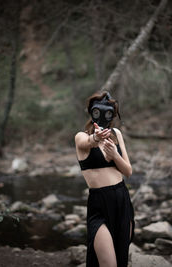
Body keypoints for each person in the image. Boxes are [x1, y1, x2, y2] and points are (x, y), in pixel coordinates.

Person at [75, 91, 135, 267]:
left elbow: (128, 171)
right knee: (109, 263)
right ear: (92, 112)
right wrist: (96, 138)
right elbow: (87, 143)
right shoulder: (81, 136)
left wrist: (115, 155)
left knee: (121, 257)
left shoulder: (116, 134)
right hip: (99, 204)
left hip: (122, 199)